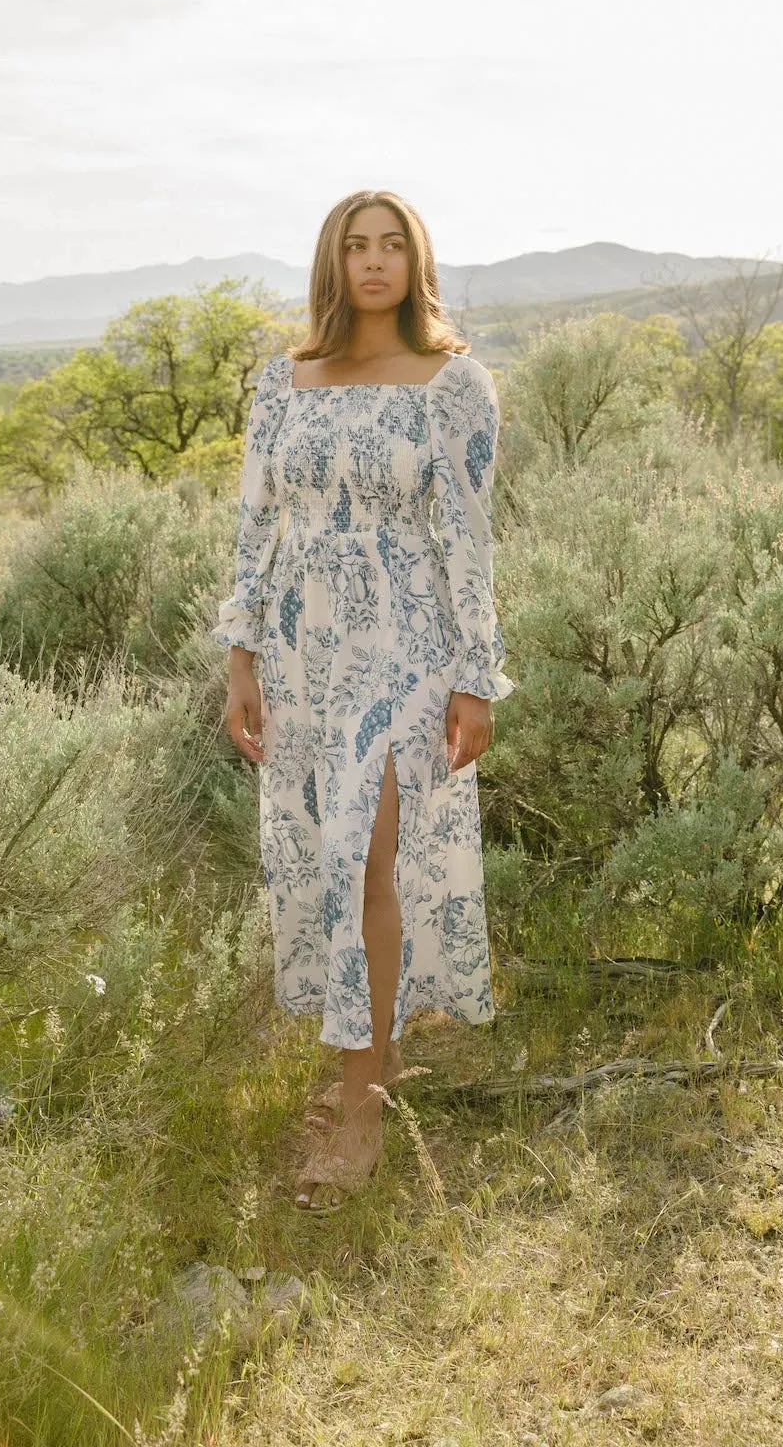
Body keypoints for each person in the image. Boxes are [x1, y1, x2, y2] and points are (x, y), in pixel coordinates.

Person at [211, 189, 515, 1210]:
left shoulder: (453, 383)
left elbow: (468, 542)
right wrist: (240, 656)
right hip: (301, 652)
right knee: (327, 861)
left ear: (416, 263)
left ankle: (357, 1109)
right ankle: (371, 1060)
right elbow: (256, 528)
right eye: (356, 246)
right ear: (331, 264)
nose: (374, 262)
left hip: (406, 641)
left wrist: (477, 673)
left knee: (360, 854)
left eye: (393, 246)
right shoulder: (281, 383)